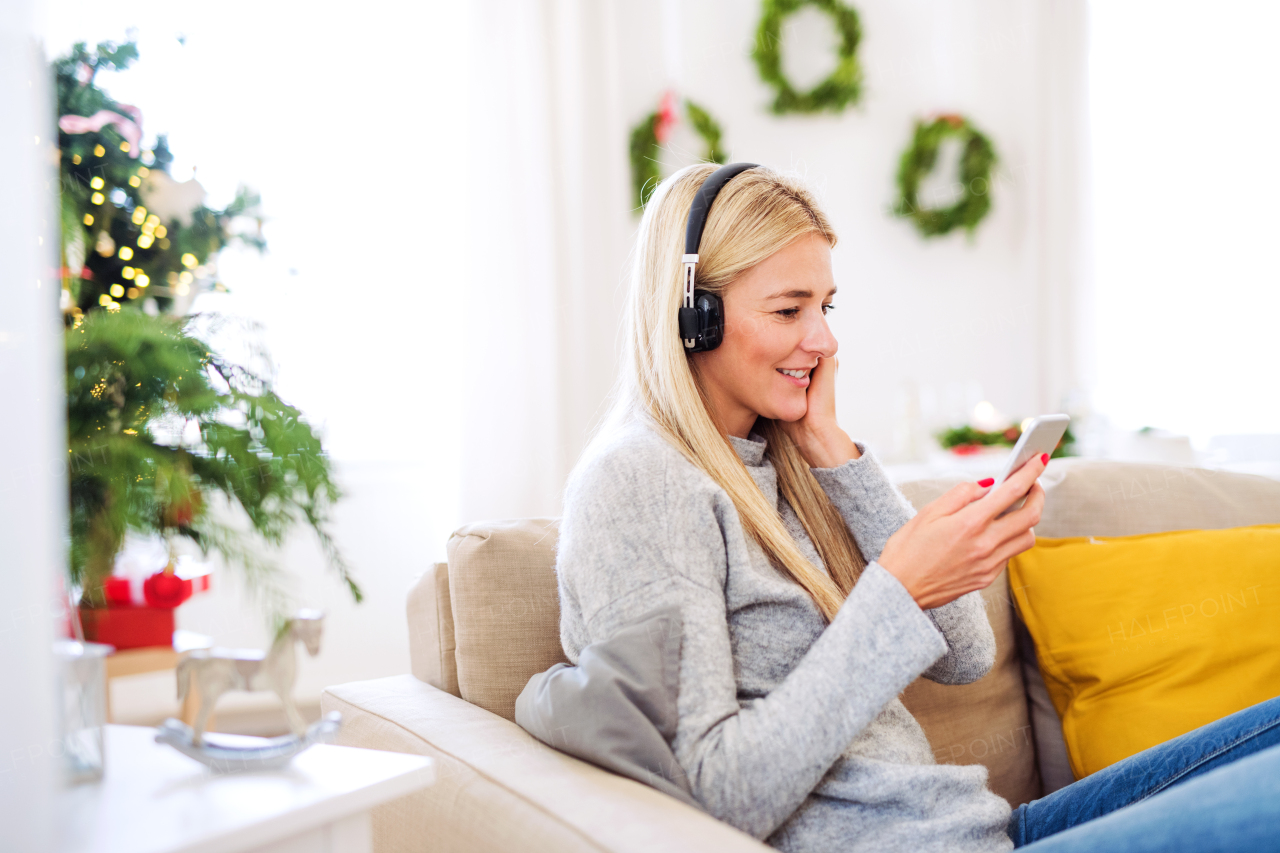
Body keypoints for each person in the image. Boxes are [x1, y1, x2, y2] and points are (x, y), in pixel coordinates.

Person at [551, 163, 1280, 853]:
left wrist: (836, 452)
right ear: (694, 317)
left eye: (826, 307)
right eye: (788, 309)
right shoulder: (641, 483)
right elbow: (718, 794)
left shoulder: (787, 466)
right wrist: (896, 591)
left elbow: (964, 656)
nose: (825, 340)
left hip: (983, 830)